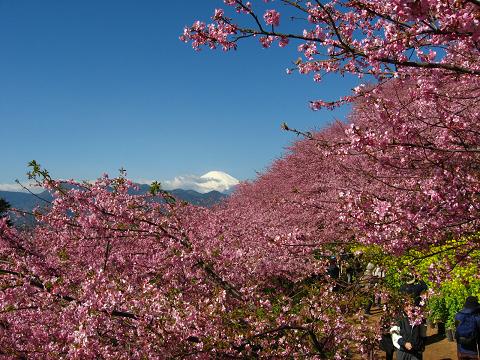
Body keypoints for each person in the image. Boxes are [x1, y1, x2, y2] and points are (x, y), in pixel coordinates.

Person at [455, 295, 480, 360]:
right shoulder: (476, 317)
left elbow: (457, 330)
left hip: (461, 351)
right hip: (473, 353)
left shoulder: (458, 315)